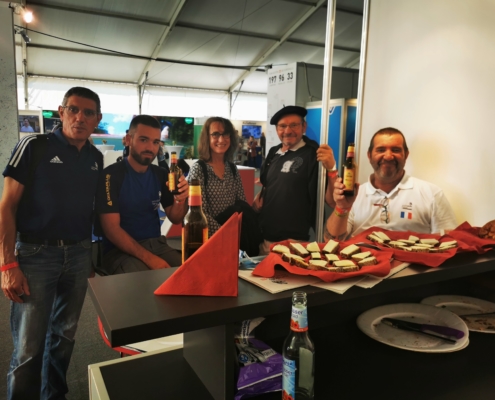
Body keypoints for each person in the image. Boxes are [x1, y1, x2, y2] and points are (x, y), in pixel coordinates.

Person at [0, 86, 103, 399]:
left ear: (97, 119)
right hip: (35, 255)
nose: (80, 117)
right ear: (61, 112)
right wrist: (7, 263)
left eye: (88, 113)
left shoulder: (96, 158)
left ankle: (54, 395)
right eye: (73, 109)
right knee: (28, 348)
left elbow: (91, 211)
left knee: (64, 338)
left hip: (78, 254)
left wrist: (89, 259)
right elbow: (7, 206)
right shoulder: (34, 146)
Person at [325, 127, 457, 240]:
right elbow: (332, 241)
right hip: (362, 261)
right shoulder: (356, 195)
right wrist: (342, 207)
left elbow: (449, 243)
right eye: (381, 150)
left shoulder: (432, 194)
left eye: (396, 150)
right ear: (369, 155)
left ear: (406, 155)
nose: (388, 156)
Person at [96, 115, 188, 274]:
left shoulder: (161, 174)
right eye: (143, 140)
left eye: (155, 142)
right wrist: (150, 259)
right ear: (128, 139)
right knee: (147, 282)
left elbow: (175, 218)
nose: (150, 148)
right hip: (119, 252)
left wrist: (180, 199)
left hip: (157, 245)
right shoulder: (111, 176)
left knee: (192, 274)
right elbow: (112, 230)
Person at [253, 105, 336, 255]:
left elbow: (331, 201)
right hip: (265, 237)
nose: (287, 131)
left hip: (294, 242)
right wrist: (260, 196)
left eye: (294, 125)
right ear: (277, 129)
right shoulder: (274, 152)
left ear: (304, 127)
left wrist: (332, 168)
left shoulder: (313, 155)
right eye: (282, 126)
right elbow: (269, 183)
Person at [188, 117, 247, 237]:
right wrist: (224, 234)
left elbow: (241, 203)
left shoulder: (232, 169)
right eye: (215, 134)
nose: (221, 139)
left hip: (234, 235)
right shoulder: (199, 169)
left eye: (225, 134)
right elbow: (199, 213)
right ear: (207, 138)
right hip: (210, 237)